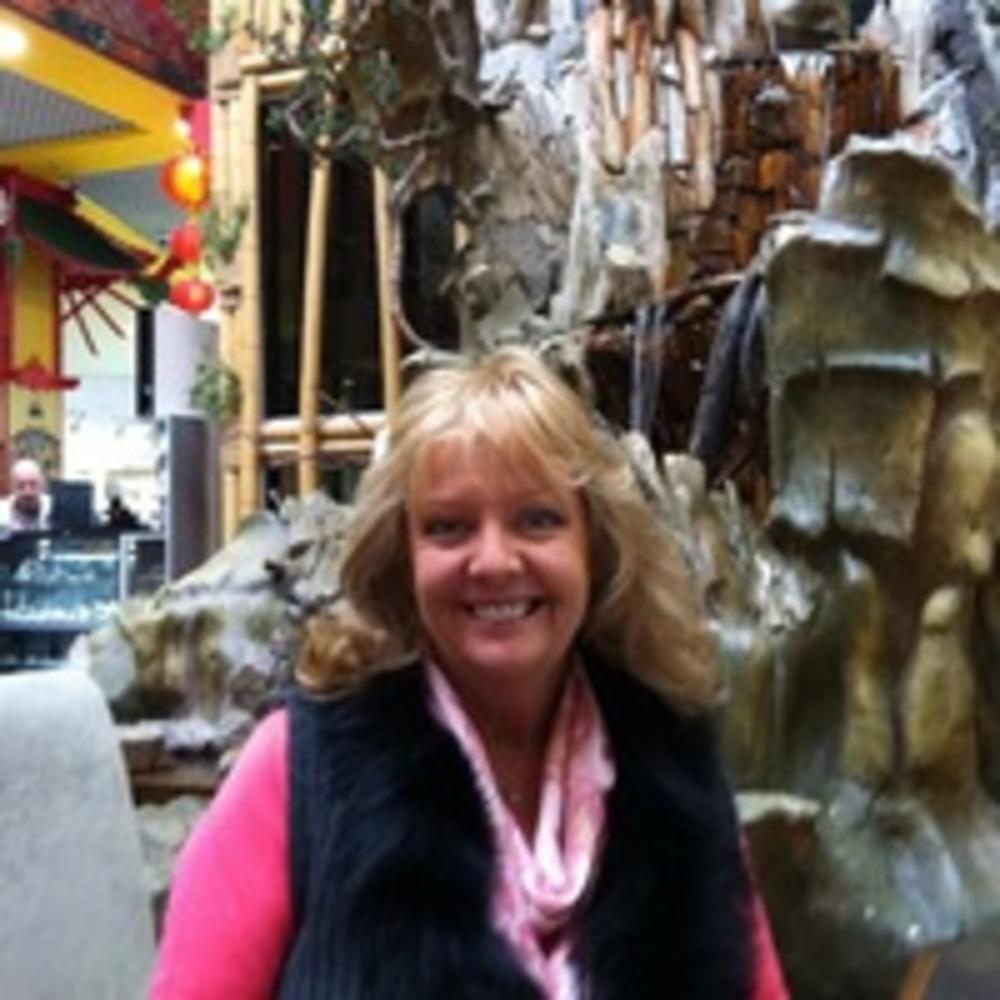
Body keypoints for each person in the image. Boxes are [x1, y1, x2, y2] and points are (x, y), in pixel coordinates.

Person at [152, 347, 788, 998]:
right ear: (402, 558)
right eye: (449, 528)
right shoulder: (299, 773)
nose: (494, 562)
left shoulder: (675, 780)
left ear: (595, 548)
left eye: (537, 521)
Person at [0, 457, 51, 533]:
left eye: (33, 484)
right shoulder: (2, 513)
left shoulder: (55, 509)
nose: (28, 492)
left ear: (42, 485)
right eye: (21, 485)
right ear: (12, 488)